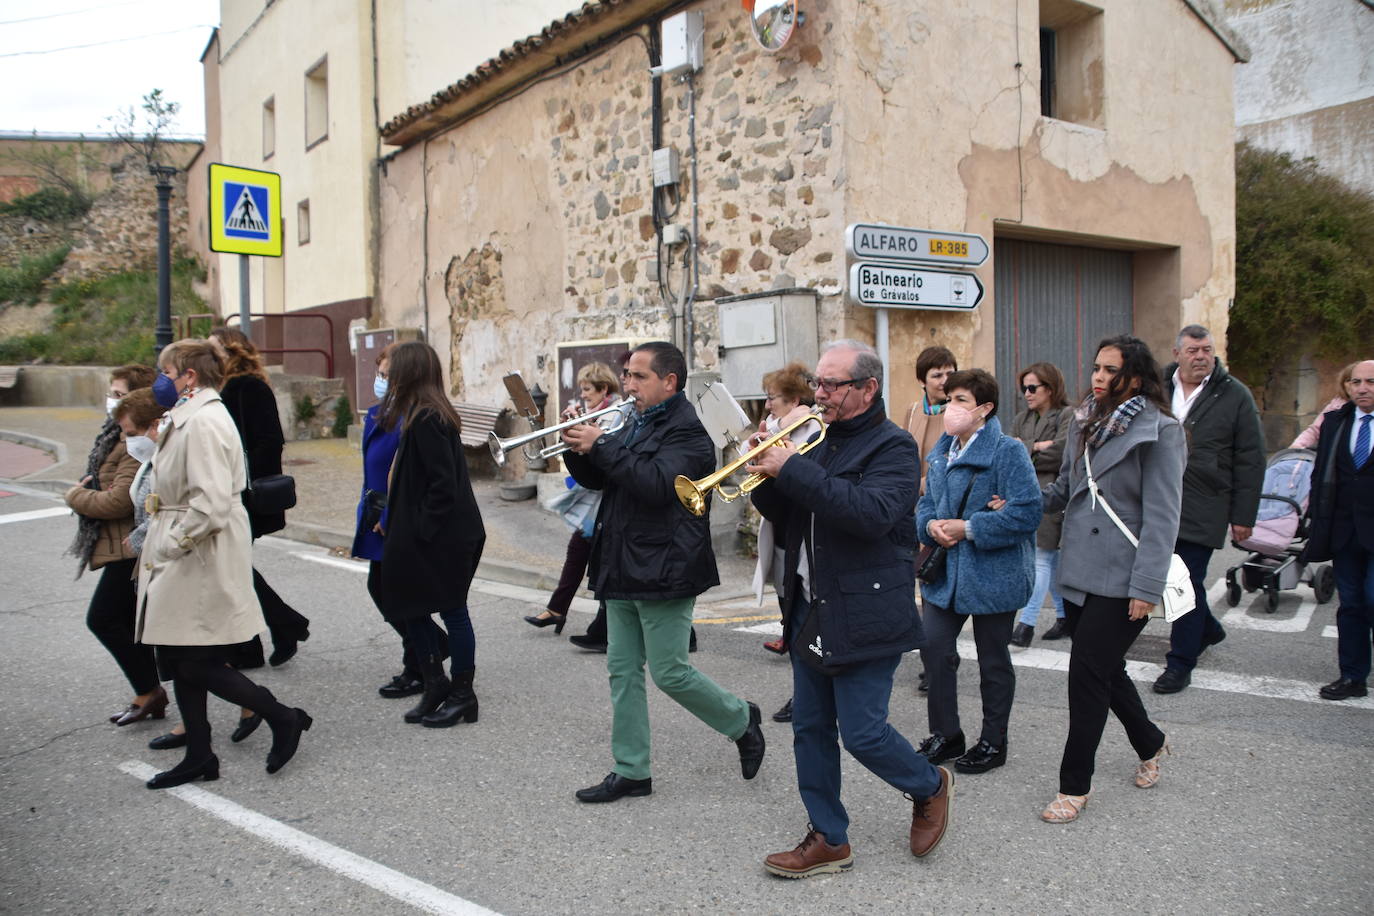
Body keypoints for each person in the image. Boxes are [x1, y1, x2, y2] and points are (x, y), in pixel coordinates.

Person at [748, 339, 952, 877]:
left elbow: (870, 513)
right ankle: (829, 837)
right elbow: (786, 511)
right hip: (810, 604)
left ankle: (929, 785)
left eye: (831, 385)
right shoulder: (814, 440)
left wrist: (792, 468)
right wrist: (764, 467)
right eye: (818, 383)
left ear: (868, 388)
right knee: (810, 728)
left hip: (867, 607)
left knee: (863, 732)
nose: (820, 394)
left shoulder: (894, 447)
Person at [560, 341, 764, 803]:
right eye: (627, 375)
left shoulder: (690, 432)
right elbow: (603, 478)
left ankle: (740, 719)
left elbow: (656, 485)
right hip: (619, 559)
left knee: (670, 672)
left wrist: (604, 445)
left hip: (666, 565)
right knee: (621, 670)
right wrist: (579, 448)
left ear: (669, 382)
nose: (628, 384)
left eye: (638, 376)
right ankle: (631, 770)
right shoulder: (633, 421)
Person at [137, 339, 311, 789]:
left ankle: (280, 716)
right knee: (179, 655)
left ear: (188, 376)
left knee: (196, 662)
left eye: (166, 372)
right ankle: (200, 753)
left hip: (199, 552)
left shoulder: (206, 421)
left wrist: (172, 545)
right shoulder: (191, 416)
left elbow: (211, 503)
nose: (161, 380)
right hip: (189, 546)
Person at [1039, 335, 1183, 823]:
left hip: (1125, 575)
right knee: (1105, 669)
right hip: (1079, 568)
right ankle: (1152, 742)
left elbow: (1163, 517)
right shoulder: (1084, 422)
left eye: (1109, 370)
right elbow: (1064, 489)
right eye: (1096, 367)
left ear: (1135, 379)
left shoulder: (1161, 431)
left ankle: (1074, 785)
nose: (1097, 376)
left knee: (1086, 675)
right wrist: (1017, 503)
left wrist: (1147, 586)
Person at [916, 369, 1041, 775]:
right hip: (946, 574)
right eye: (949, 398)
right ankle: (946, 733)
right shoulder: (943, 448)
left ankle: (993, 741)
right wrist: (932, 525)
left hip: (994, 575)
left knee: (992, 659)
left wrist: (970, 528)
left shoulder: (1008, 451)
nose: (951, 407)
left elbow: (1027, 512)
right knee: (934, 648)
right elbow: (926, 504)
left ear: (984, 408)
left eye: (962, 400)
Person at [372, 341, 486, 728]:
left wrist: (419, 530)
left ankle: (462, 693)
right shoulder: (420, 414)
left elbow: (442, 487)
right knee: (411, 607)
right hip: (424, 534)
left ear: (409, 374)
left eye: (392, 373)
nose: (386, 380)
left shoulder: (429, 419)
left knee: (453, 611)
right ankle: (434, 683)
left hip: (443, 537)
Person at [1153, 325, 1265, 694]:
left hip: (1205, 502)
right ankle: (1209, 628)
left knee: (1183, 580)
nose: (1201, 356)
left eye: (1207, 349)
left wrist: (1244, 516)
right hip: (1159, 500)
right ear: (1177, 354)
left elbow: (1251, 459)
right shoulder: (1157, 389)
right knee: (1174, 579)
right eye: (1193, 350)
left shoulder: (1234, 395)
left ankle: (1180, 662)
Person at [209, 327, 311, 670]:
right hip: (228, 492)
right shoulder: (221, 389)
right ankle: (273, 632)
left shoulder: (248, 387)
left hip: (242, 495)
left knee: (230, 569)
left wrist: (239, 482)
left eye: (214, 351)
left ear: (231, 352)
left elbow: (270, 441)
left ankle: (274, 632)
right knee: (232, 569)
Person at [65, 366, 160, 727]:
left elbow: (120, 500)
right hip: (120, 542)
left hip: (130, 544)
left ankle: (153, 691)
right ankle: (153, 692)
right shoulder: (115, 433)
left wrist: (75, 495)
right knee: (126, 621)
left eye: (120, 395)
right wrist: (90, 491)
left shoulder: (133, 439)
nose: (113, 401)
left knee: (103, 618)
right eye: (112, 393)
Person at [353, 343, 449, 700]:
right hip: (378, 512)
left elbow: (415, 478)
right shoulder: (380, 413)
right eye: (379, 374)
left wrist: (392, 515)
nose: (382, 381)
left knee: (396, 592)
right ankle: (429, 650)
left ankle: (420, 665)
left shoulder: (415, 417)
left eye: (387, 375)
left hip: (397, 517)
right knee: (383, 589)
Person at [526, 361, 622, 635]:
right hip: (591, 495)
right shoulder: (595, 412)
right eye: (581, 390)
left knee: (599, 558)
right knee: (580, 552)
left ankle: (595, 624)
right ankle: (559, 611)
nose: (583, 396)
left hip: (604, 497)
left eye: (588, 390)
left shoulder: (615, 413)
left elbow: (606, 454)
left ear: (604, 388)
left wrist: (586, 435)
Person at [749, 362, 816, 727]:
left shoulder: (807, 432)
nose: (768, 404)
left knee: (804, 627)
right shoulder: (774, 430)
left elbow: (791, 495)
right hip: (782, 539)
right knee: (792, 620)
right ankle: (805, 693)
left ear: (793, 399)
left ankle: (805, 697)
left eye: (773, 397)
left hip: (799, 539)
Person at [1305, 360, 1374, 701]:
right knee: (1351, 605)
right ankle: (1353, 677)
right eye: (1356, 382)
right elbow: (1321, 473)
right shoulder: (1336, 422)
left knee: (1372, 599)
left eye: (1371, 382)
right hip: (1346, 532)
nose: (1362, 388)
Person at [1010, 362, 1074, 647]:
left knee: (1042, 557)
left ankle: (1026, 624)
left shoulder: (1067, 415)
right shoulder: (1021, 418)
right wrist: (1037, 446)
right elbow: (1010, 452)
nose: (1027, 393)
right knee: (1051, 560)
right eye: (1024, 388)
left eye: (1033, 387)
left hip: (1054, 494)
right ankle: (1064, 617)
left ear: (1049, 388)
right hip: (1024, 492)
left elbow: (1062, 452)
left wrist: (1027, 446)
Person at [904, 346, 958, 493]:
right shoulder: (913, 411)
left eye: (950, 374)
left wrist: (922, 485)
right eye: (937, 376)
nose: (945, 381)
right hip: (912, 502)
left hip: (944, 499)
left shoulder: (961, 413)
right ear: (922, 381)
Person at [1291, 362, 1358, 450]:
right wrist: (1296, 447)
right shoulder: (1335, 406)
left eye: (1356, 381)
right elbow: (1315, 430)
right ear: (1343, 383)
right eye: (1348, 380)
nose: (1351, 384)